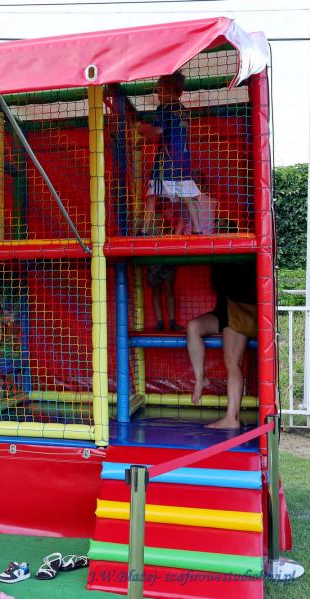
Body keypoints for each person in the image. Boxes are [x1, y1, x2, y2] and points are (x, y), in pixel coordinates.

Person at [134, 71, 213, 236]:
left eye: (160, 91)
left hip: (166, 161)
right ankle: (197, 230)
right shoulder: (183, 110)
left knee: (152, 195)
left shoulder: (164, 108)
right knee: (188, 196)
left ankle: (144, 230)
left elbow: (158, 130)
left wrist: (141, 130)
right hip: (183, 160)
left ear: (168, 91)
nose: (158, 96)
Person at [186, 261, 257, 429]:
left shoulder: (243, 259)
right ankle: (200, 379)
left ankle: (232, 418)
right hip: (223, 311)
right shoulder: (220, 258)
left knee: (233, 362)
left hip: (240, 310)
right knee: (193, 327)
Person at [147, 264, 181, 331]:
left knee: (169, 288)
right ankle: (160, 322)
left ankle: (171, 322)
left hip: (167, 261)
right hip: (153, 261)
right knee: (156, 289)